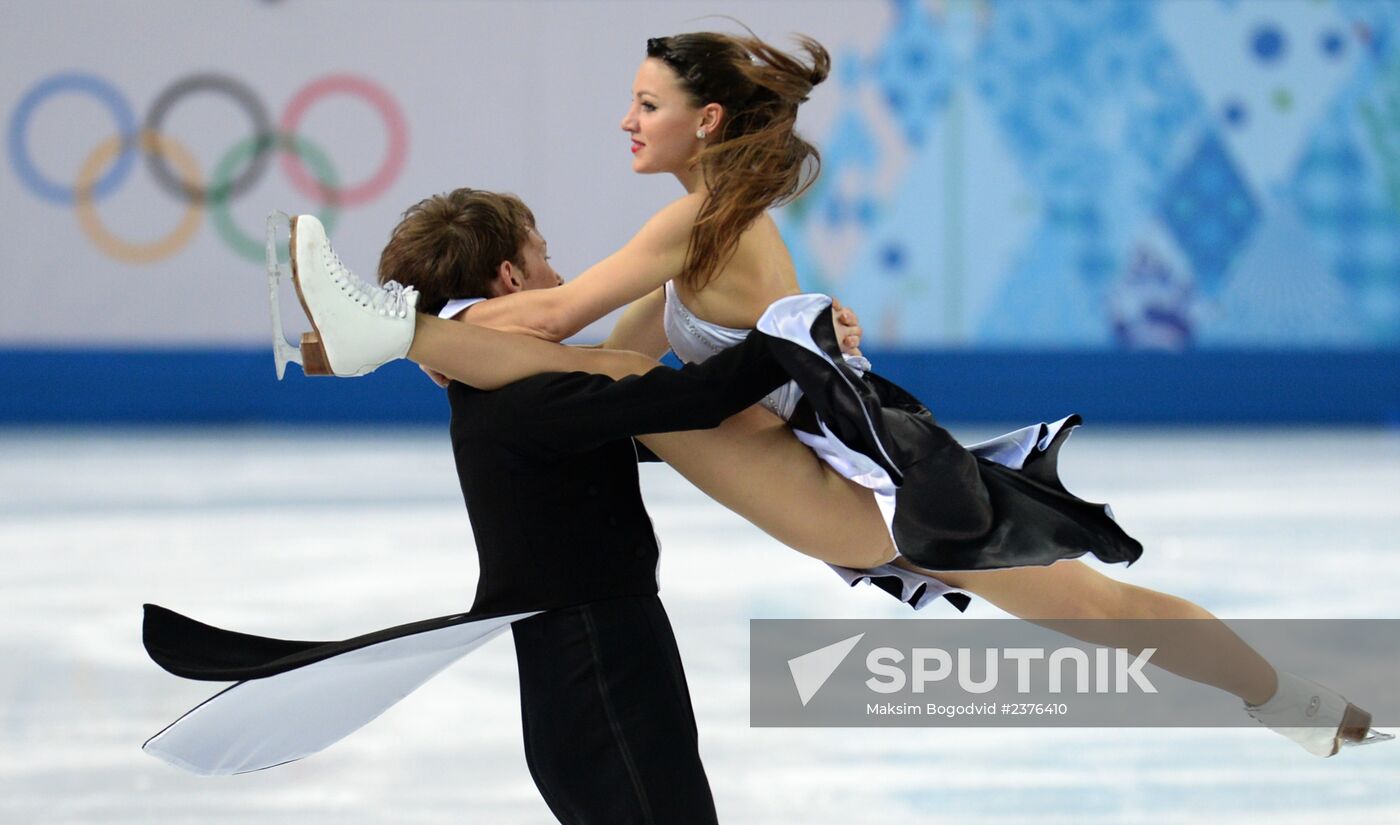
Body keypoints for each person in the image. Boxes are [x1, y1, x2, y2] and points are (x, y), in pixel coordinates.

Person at [282, 29, 1391, 759]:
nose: (625, 122)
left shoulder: (696, 215)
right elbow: (586, 360)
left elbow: (565, 330)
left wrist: (414, 333)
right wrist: (438, 343)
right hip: (823, 461)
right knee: (1094, 616)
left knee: (1095, 613)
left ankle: (1292, 706)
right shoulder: (694, 219)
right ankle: (1291, 707)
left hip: (848, 476)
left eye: (644, 103)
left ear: (703, 121)